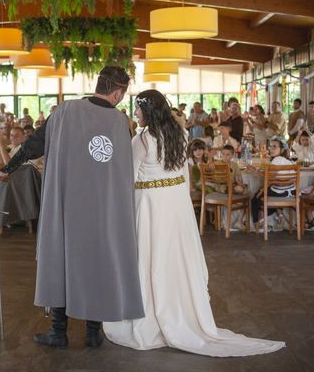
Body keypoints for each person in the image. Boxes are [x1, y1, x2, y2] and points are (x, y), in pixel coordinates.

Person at [103, 89, 284, 356]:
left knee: (150, 255)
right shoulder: (181, 134)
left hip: (151, 203)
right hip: (175, 204)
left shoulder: (142, 140)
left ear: (148, 111)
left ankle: (150, 314)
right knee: (174, 255)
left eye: (138, 109)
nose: (136, 114)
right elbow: (182, 173)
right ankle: (180, 307)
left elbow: (127, 177)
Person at [0, 66, 144, 349]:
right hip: (102, 211)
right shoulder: (120, 123)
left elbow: (33, 145)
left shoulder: (64, 111)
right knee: (98, 262)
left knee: (60, 260)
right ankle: (93, 332)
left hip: (65, 205)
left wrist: (6, 169)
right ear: (118, 93)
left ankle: (59, 331)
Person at [247, 136, 295, 231]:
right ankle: (279, 214)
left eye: (275, 146)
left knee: (255, 198)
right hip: (292, 192)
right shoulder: (289, 161)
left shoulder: (277, 160)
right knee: (262, 191)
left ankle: (257, 223)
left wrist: (255, 170)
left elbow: (269, 177)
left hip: (281, 192)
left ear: (282, 150)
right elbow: (272, 179)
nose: (271, 149)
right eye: (271, 146)